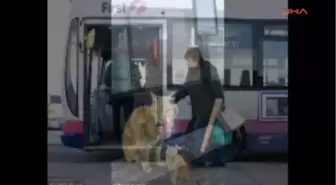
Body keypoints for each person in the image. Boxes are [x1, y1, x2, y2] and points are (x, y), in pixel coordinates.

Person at [169, 47, 230, 166]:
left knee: (197, 133)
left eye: (188, 60)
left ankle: (198, 161)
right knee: (199, 134)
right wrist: (174, 99)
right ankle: (216, 161)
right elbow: (185, 89)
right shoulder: (192, 72)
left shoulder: (209, 69)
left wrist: (220, 103)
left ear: (194, 59)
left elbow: (218, 90)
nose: (187, 63)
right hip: (197, 111)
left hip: (208, 110)